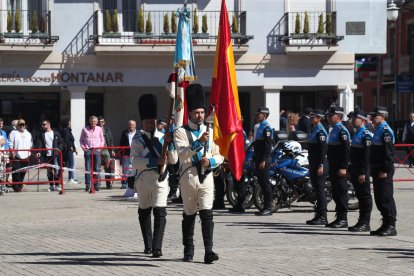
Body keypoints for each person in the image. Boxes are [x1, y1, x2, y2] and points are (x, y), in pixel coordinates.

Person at [174, 83, 223, 264]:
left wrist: (211, 161)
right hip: (188, 177)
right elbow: (183, 153)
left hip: (207, 176)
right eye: (196, 113)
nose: (200, 116)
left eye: (202, 112)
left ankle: (208, 251)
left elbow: (220, 155)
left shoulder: (211, 131)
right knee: (189, 213)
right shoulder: (180, 132)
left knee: (207, 213)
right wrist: (198, 143)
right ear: (190, 113)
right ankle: (188, 248)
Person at [131, 94, 177, 258]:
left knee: (160, 212)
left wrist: (170, 146)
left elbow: (174, 159)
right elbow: (135, 162)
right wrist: (153, 160)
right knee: (144, 211)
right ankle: (148, 245)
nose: (150, 124)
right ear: (142, 123)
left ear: (156, 122)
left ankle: (157, 247)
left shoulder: (164, 137)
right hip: (143, 180)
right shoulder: (137, 139)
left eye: (152, 122)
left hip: (160, 179)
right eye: (147, 122)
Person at [369, 106, 397, 236]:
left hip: (383, 169)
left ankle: (391, 225)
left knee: (386, 197)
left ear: (382, 116)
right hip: (376, 168)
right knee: (379, 198)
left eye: (375, 116)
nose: (372, 118)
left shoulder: (386, 131)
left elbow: (388, 154)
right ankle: (385, 223)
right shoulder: (378, 130)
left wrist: (385, 169)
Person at [347, 110, 373, 232]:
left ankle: (365, 222)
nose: (352, 120)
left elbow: (366, 156)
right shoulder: (357, 133)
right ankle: (361, 221)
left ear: (362, 120)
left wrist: (363, 172)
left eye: (355, 118)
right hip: (355, 168)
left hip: (362, 170)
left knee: (365, 196)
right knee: (360, 196)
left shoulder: (366, 134)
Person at [325, 106, 350, 228]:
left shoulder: (342, 130)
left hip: (339, 167)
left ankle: (343, 219)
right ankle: (339, 217)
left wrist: (344, 167)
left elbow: (346, 151)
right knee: (335, 193)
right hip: (333, 166)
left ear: (338, 117)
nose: (329, 118)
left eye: (331, 116)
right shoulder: (333, 129)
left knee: (341, 192)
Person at [305, 109, 328, 225]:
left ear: (319, 118)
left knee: (320, 191)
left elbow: (323, 150)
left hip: (319, 164)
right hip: (313, 163)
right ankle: (318, 215)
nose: (310, 119)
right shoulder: (314, 130)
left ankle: (323, 216)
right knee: (316, 190)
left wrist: (321, 165)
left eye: (313, 117)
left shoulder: (321, 131)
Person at [253, 107, 274, 216]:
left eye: (259, 114)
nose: (256, 116)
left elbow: (267, 146)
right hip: (258, 158)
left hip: (264, 159)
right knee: (261, 182)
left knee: (265, 183)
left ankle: (268, 207)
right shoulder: (259, 127)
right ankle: (264, 207)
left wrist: (263, 160)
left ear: (264, 115)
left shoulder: (266, 128)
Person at [34, 120, 63, 192]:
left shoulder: (55, 133)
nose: (42, 126)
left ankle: (57, 185)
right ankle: (51, 185)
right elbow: (39, 144)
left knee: (56, 170)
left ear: (49, 124)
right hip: (46, 155)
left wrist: (58, 150)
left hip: (55, 155)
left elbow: (61, 143)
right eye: (42, 125)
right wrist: (38, 151)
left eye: (44, 124)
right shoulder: (42, 134)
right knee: (49, 171)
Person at [80, 115, 105, 192]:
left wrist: (100, 148)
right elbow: (81, 140)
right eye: (91, 121)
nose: (93, 123)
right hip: (88, 150)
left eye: (94, 121)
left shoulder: (99, 129)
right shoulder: (84, 129)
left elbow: (102, 139)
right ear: (89, 121)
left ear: (97, 122)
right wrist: (84, 149)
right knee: (87, 168)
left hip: (96, 150)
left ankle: (96, 185)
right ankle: (88, 185)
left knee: (96, 168)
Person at [8, 119, 33, 192]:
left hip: (26, 155)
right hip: (16, 155)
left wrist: (30, 152)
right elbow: (10, 143)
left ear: (25, 125)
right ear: (17, 125)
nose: (21, 126)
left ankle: (20, 184)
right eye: (20, 125)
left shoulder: (28, 133)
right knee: (16, 171)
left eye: (23, 125)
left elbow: (31, 144)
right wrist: (12, 152)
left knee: (23, 171)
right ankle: (16, 186)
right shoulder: (13, 132)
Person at [97, 116, 115, 189]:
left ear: (104, 122)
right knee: (97, 167)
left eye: (102, 122)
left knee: (108, 167)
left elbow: (111, 140)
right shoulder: (95, 130)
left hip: (106, 149)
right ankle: (97, 184)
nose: (101, 123)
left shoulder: (107, 130)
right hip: (98, 149)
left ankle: (108, 184)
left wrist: (112, 150)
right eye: (99, 122)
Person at [119, 120, 137, 193]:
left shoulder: (138, 133)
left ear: (135, 125)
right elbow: (121, 142)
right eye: (129, 124)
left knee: (135, 169)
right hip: (126, 153)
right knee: (125, 169)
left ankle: (135, 184)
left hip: (135, 154)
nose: (131, 126)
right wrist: (121, 152)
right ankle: (124, 184)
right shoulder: (125, 132)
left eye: (132, 124)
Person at [61, 119, 79, 185]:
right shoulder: (66, 130)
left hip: (70, 149)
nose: (71, 123)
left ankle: (71, 178)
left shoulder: (68, 130)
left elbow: (72, 141)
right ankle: (71, 178)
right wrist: (70, 147)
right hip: (67, 150)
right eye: (70, 122)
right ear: (67, 123)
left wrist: (75, 148)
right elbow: (67, 140)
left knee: (70, 164)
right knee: (70, 164)